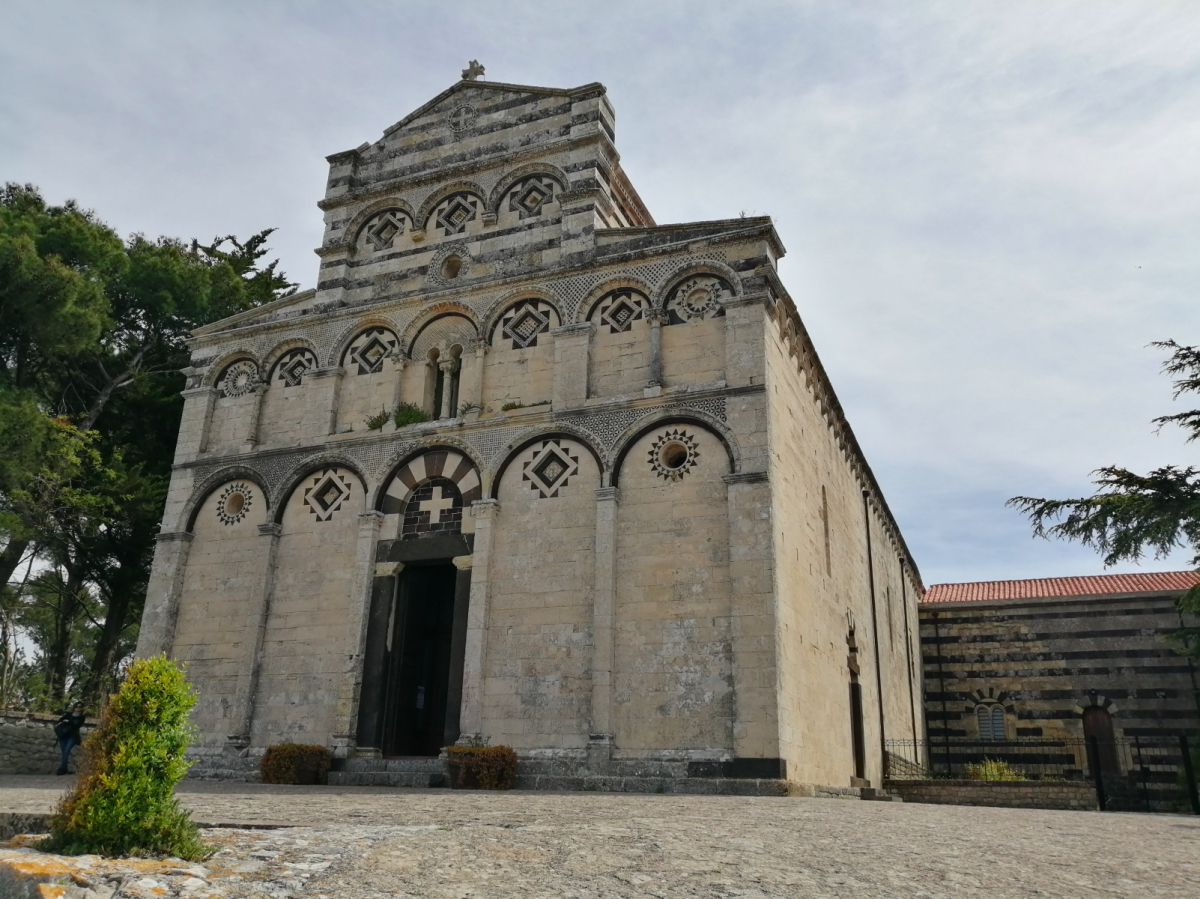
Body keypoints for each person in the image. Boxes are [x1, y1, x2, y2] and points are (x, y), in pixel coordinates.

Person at [54, 702, 86, 775]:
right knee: (64, 752)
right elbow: (61, 720)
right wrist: (68, 721)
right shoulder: (68, 714)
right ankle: (64, 768)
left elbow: (77, 725)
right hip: (64, 735)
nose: (78, 708)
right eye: (76, 706)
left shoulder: (81, 717)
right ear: (74, 707)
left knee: (66, 751)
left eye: (79, 707)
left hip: (72, 736)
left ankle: (62, 769)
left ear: (81, 708)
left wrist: (68, 721)